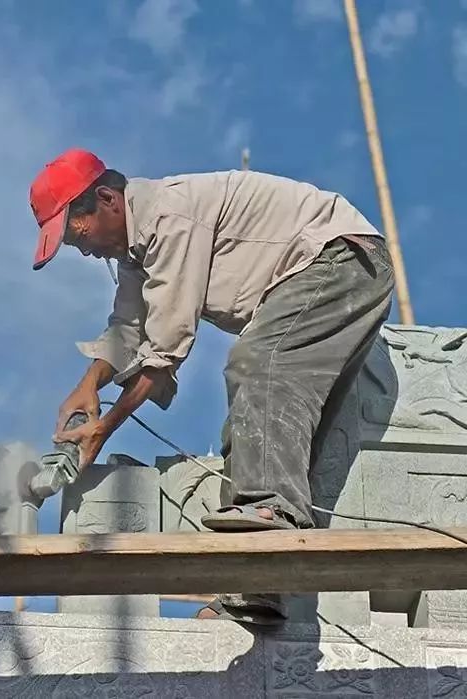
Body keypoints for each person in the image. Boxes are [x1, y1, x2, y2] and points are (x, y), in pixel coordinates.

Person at [28, 148, 394, 625]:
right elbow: (125, 330)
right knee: (257, 430)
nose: (85, 250)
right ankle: (259, 589)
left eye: (80, 236)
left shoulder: (168, 216)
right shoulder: (136, 257)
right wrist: (87, 386)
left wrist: (104, 428)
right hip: (325, 273)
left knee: (257, 365)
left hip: (340, 259)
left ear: (106, 200)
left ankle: (267, 519)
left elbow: (162, 356)